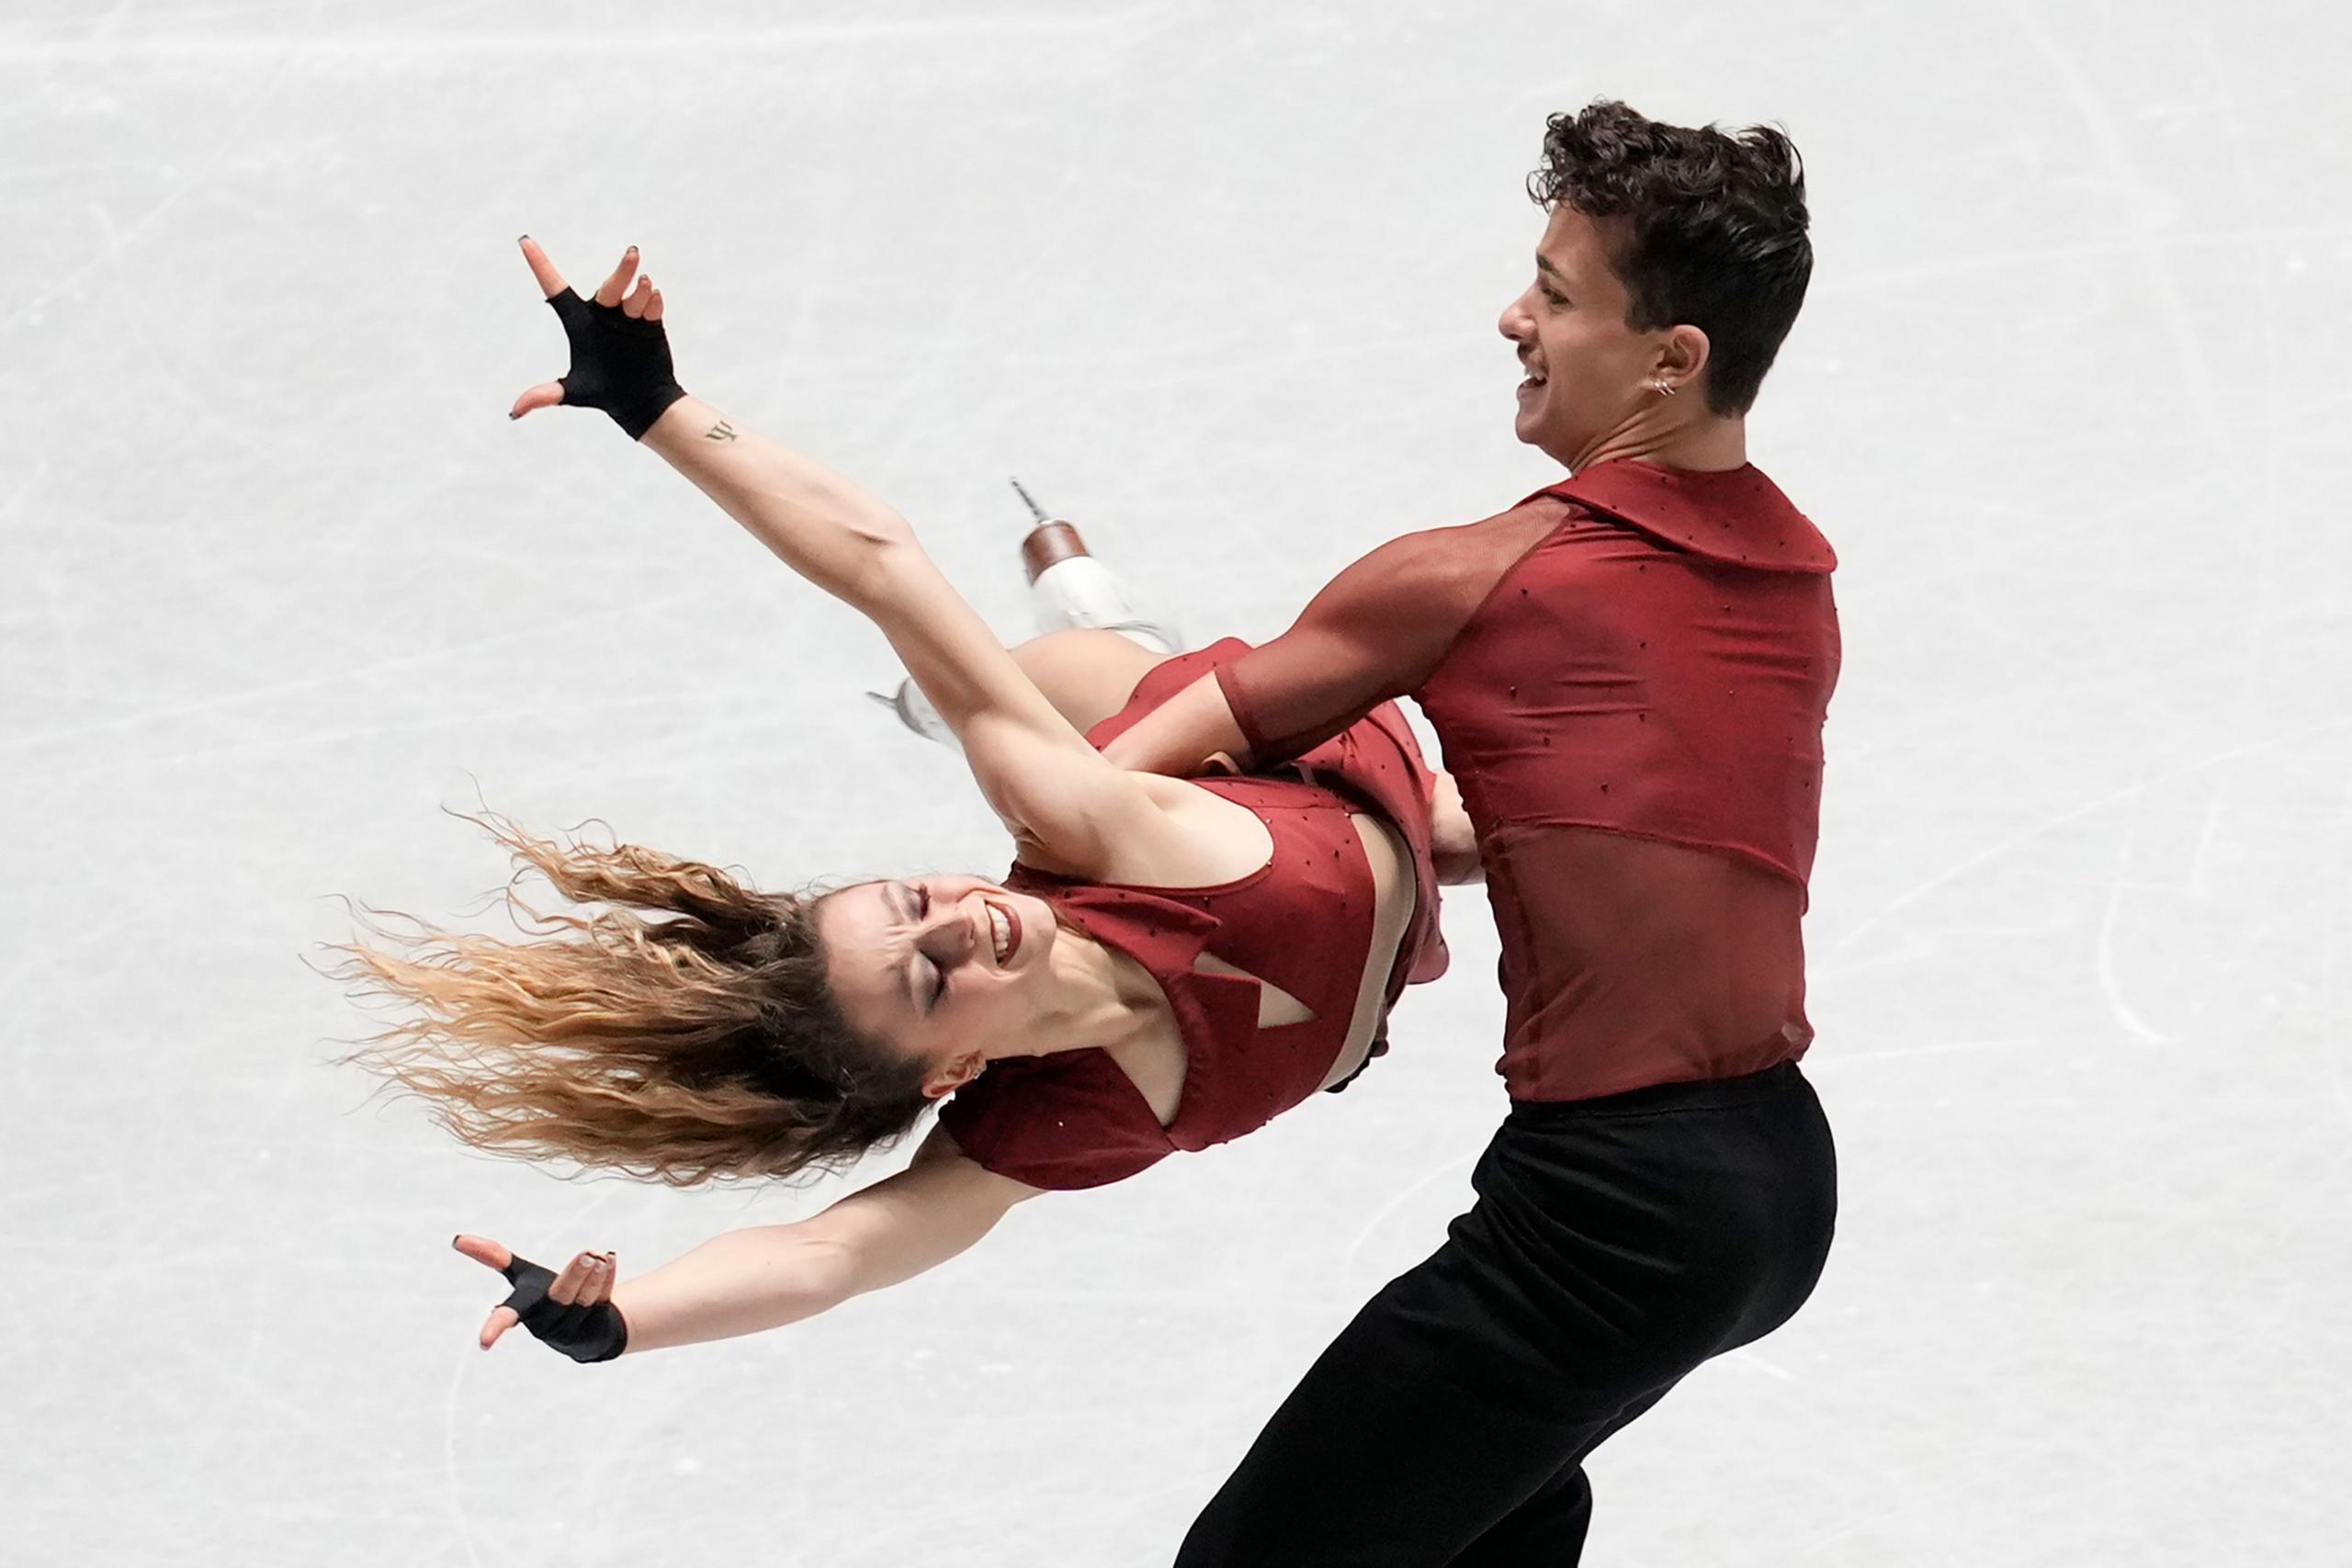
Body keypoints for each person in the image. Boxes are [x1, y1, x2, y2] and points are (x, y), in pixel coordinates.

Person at [324, 235, 1473, 1367]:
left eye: (914, 895)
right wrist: (623, 1321)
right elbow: (835, 1255)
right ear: (949, 1075)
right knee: (1073, 724)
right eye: (933, 977)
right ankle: (1007, 676)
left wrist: (658, 405)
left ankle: (1061, 643)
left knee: (1088, 679)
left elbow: (881, 564)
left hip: (1267, 767)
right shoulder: (1041, 1129)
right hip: (1336, 884)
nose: (960, 920)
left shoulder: (1082, 826)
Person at [1101, 100, 1842, 1563]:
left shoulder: (1478, 576)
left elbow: (1123, 784)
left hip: (1609, 1218)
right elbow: (1587, 813)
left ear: (1671, 358)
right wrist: (1403, 819)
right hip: (1772, 1184)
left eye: (1558, 298)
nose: (1514, 316)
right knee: (1486, 1515)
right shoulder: (1796, 578)